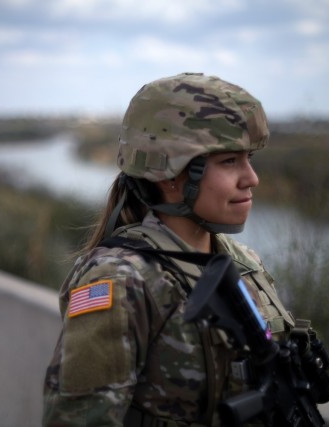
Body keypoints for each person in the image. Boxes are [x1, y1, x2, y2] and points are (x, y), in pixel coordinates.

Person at [43, 72, 310, 426]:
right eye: (229, 161)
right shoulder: (120, 280)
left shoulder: (243, 261)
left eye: (249, 159)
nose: (251, 178)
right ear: (171, 175)